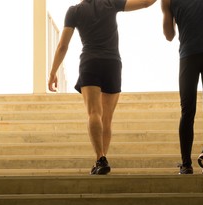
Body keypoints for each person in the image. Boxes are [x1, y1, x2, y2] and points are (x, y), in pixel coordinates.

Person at [48, 0, 157, 175]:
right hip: (112, 63)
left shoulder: (74, 11)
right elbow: (145, 3)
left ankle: (100, 158)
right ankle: (102, 158)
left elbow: (63, 45)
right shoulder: (111, 3)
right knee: (106, 118)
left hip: (90, 62)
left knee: (94, 113)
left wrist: (53, 71)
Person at [161, 0, 203, 174]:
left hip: (189, 54)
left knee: (187, 110)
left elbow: (169, 35)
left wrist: (167, 11)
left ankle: (186, 165)